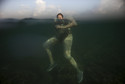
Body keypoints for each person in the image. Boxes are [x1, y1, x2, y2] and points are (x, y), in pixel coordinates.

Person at [43, 13, 83, 83]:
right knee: (45, 45)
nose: (59, 18)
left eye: (60, 17)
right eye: (58, 17)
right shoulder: (55, 21)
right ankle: (52, 63)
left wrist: (63, 27)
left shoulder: (67, 19)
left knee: (67, 56)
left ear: (62, 17)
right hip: (59, 36)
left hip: (68, 37)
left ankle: (79, 71)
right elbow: (56, 26)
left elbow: (75, 24)